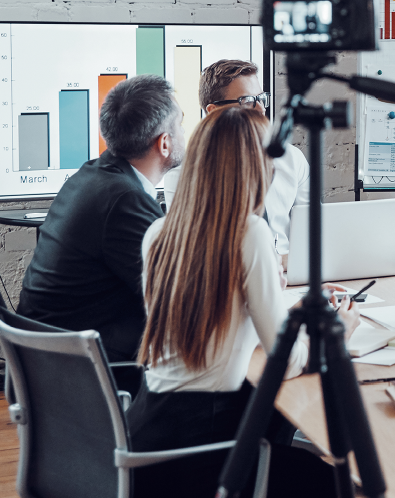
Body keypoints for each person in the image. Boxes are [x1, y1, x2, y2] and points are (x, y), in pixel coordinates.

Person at [130, 106, 358, 497]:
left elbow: (203, 321)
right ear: (257, 165)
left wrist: (278, 306)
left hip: (149, 436)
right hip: (208, 451)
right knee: (338, 480)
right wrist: (340, 331)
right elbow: (285, 363)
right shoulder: (249, 232)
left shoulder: (159, 231)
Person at [17, 75, 184, 363]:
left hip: (49, 360)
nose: (186, 131)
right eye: (181, 123)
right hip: (84, 370)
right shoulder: (123, 200)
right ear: (165, 143)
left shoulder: (93, 175)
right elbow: (178, 294)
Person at [163, 59, 310, 270]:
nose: (260, 109)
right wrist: (275, 262)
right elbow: (193, 254)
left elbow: (312, 233)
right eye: (247, 100)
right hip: (228, 283)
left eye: (261, 99)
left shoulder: (291, 158)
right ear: (213, 111)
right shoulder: (183, 171)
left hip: (292, 276)